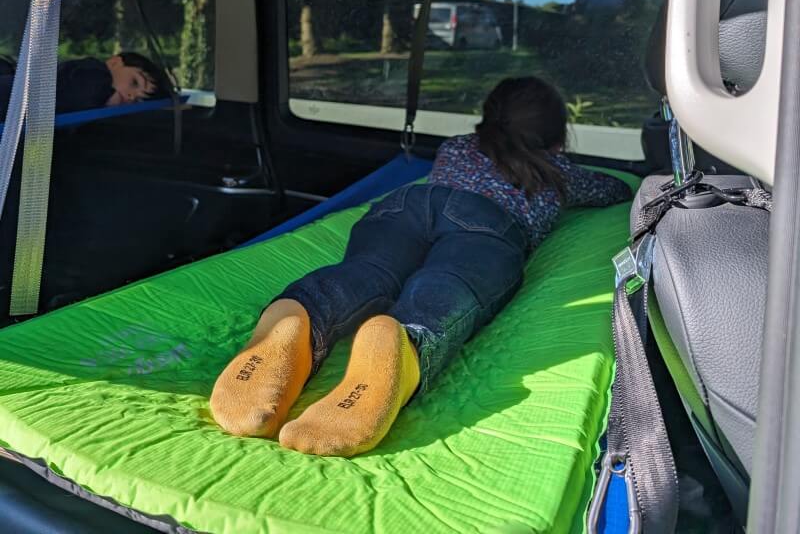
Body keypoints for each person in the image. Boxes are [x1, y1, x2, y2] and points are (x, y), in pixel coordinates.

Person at [210, 76, 632, 457]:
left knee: (369, 270)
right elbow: (613, 188)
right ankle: (403, 337)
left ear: (489, 118)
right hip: (486, 223)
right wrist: (562, 164)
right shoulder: (557, 171)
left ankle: (301, 310)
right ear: (554, 136)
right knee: (447, 283)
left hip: (404, 207)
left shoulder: (457, 147)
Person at [0, 52, 171, 120]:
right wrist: (110, 97)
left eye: (138, 101)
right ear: (114, 62)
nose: (131, 96)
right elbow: (81, 94)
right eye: (134, 83)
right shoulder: (93, 73)